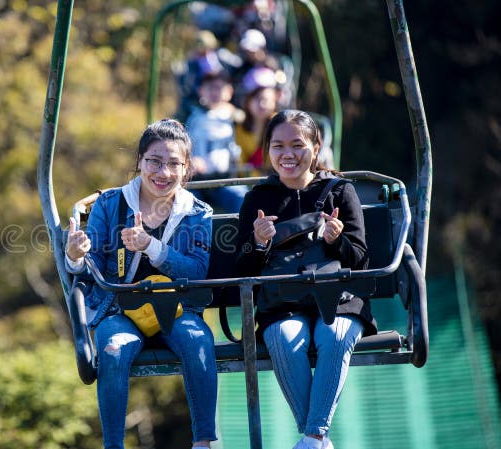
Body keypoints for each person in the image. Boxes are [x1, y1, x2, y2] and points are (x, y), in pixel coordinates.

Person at [65, 119, 218, 449]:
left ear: (186, 167)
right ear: (139, 162)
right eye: (154, 162)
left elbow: (196, 272)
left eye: (174, 164)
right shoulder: (111, 204)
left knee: (197, 341)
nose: (163, 173)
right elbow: (89, 266)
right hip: (119, 307)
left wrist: (150, 246)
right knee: (113, 348)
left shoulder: (196, 213)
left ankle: (205, 441)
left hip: (175, 307)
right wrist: (75, 255)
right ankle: (114, 445)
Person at [233, 110, 374, 449]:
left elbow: (361, 258)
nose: (288, 155)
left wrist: (335, 240)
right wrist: (260, 242)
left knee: (335, 336)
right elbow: (241, 269)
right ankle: (317, 437)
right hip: (282, 302)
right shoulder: (258, 199)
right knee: (284, 337)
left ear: (316, 146)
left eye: (298, 145)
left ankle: (312, 438)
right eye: (278, 146)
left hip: (337, 300)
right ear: (268, 150)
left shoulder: (339, 191)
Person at [185, 70, 248, 214]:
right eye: (210, 87)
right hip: (196, 182)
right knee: (186, 206)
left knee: (242, 198)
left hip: (226, 180)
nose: (214, 92)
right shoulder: (190, 117)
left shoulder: (237, 119)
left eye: (219, 87)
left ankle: (244, 236)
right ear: (201, 90)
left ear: (229, 91)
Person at [235, 67, 281, 174]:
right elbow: (240, 165)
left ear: (275, 98)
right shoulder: (241, 128)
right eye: (256, 99)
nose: (261, 105)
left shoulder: (281, 125)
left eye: (265, 99)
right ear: (247, 101)